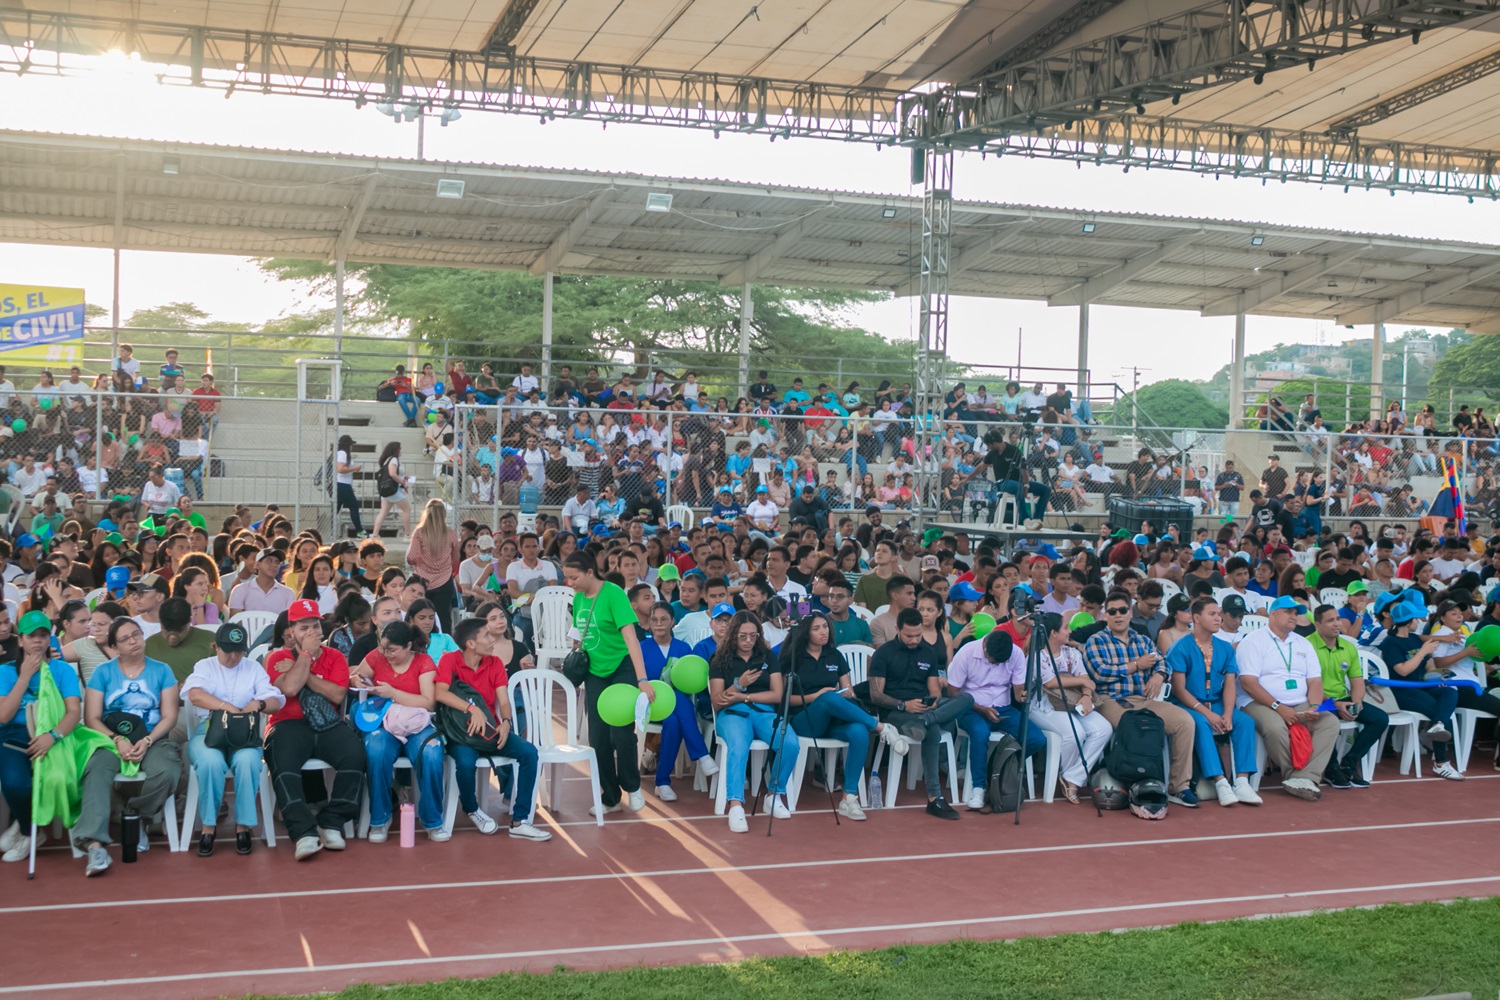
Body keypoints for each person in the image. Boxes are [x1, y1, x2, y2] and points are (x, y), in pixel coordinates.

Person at [77, 617, 184, 876]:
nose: (134, 641)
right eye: (125, 639)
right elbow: (91, 717)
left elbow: (169, 716)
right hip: (111, 739)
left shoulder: (162, 670)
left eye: (136, 634)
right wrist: (117, 739)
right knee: (97, 771)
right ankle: (94, 845)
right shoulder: (103, 673)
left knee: (166, 771)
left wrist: (147, 740)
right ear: (114, 647)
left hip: (153, 738)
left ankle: (133, 815)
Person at [264, 598, 367, 860]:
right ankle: (303, 833)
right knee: (283, 761)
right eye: (304, 628)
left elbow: (337, 693)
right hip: (287, 723)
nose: (311, 633)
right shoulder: (277, 657)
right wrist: (307, 656)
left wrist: (304, 672)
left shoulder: (335, 657)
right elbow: (289, 689)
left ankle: (331, 821)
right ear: (291, 632)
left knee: (354, 752)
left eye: (315, 627)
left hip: (327, 723)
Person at [433, 616, 550, 841]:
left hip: (490, 731)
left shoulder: (495, 663)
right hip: (462, 733)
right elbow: (440, 693)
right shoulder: (449, 660)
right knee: (465, 763)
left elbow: (504, 702)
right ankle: (472, 809)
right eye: (486, 635)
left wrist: (506, 723)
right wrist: (471, 709)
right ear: (471, 644)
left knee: (529, 753)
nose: (492, 639)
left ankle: (520, 820)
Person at [781, 611, 906, 820]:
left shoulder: (834, 655)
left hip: (832, 719)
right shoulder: (792, 657)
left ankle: (849, 798)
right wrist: (816, 696)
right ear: (805, 632)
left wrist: (847, 692)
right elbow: (784, 699)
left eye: (825, 626)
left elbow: (847, 688)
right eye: (816, 628)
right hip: (804, 720)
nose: (823, 632)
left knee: (858, 731)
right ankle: (880, 727)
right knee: (827, 698)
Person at [1083, 590, 1198, 806]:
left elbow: (1163, 662)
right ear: (1105, 615)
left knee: (1185, 722)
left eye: (1123, 610)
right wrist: (1136, 666)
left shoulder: (1142, 640)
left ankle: (1179, 786)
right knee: (1137, 726)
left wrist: (1158, 675)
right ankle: (1137, 781)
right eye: (1112, 611)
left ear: (1130, 613)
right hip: (1109, 700)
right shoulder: (1096, 641)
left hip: (1143, 699)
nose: (1118, 615)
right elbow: (1099, 673)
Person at [180, 621, 284, 856]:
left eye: (239, 651)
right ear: (216, 647)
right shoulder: (205, 666)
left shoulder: (253, 668)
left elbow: (275, 702)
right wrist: (227, 707)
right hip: (208, 732)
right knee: (210, 762)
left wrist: (259, 703)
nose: (234, 656)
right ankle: (208, 826)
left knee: (248, 762)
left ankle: (243, 826)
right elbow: (194, 695)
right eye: (228, 650)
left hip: (243, 735)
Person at [562, 551, 652, 817]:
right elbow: (578, 634)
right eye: (566, 578)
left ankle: (633, 787)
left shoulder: (613, 594)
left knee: (621, 734)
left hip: (621, 668)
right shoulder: (578, 597)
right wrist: (575, 661)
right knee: (599, 738)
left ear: (590, 572)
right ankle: (610, 797)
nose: (570, 583)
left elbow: (631, 639)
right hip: (594, 671)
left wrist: (642, 679)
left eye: (573, 577)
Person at [348, 617, 448, 843]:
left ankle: (433, 820)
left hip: (416, 723)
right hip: (384, 722)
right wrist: (357, 679)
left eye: (392, 650)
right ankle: (379, 818)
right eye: (383, 648)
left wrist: (393, 693)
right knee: (375, 751)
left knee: (432, 754)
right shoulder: (377, 655)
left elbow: (429, 702)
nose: (386, 654)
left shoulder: (423, 662)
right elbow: (354, 675)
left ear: (409, 647)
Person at [868, 608, 973, 819]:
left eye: (918, 635)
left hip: (923, 709)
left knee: (967, 699)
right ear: (897, 629)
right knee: (933, 730)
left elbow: (934, 690)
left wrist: (931, 703)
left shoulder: (928, 652)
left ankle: (926, 720)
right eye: (909, 636)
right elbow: (876, 695)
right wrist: (903, 705)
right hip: (894, 712)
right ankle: (935, 797)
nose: (915, 639)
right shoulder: (884, 653)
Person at [1236, 596, 1342, 799]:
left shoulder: (1302, 643)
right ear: (1273, 614)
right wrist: (1278, 706)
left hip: (1299, 700)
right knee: (1276, 727)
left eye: (1296, 613)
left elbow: (1315, 681)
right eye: (1289, 612)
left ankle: (1305, 777)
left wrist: (1315, 706)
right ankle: (1295, 776)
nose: (1294, 616)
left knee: (1329, 723)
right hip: (1259, 702)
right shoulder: (1253, 641)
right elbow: (1249, 683)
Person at [0, 611, 84, 863]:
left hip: (53, 733)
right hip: (13, 735)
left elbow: (73, 712)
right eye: (31, 636)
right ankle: (29, 831)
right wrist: (24, 676)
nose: (37, 641)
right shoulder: (5, 672)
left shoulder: (62, 670)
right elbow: (4, 716)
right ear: (21, 640)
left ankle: (22, 827)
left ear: (50, 639)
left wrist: (53, 736)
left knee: (57, 777)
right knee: (17, 784)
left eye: (43, 635)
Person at [1164, 598, 1262, 807]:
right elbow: (1179, 690)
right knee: (1200, 723)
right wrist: (1206, 713)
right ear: (1196, 618)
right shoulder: (1180, 648)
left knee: (1245, 722)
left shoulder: (1225, 648)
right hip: (1188, 704)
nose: (1218, 618)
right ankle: (1220, 782)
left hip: (1217, 703)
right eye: (1212, 614)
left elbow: (1229, 685)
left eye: (1219, 614)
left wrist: (1227, 712)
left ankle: (1243, 781)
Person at [709, 610, 798, 832]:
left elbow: (777, 695)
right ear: (732, 635)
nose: (748, 640)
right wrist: (738, 685)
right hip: (732, 713)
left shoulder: (767, 657)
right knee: (739, 746)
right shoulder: (720, 659)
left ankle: (774, 794)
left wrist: (744, 695)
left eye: (753, 635)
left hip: (764, 711)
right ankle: (736, 804)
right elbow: (717, 702)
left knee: (790, 743)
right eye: (742, 636)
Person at [947, 629, 1042, 810]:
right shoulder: (967, 652)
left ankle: (998, 770)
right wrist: (980, 709)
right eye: (992, 660)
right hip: (971, 708)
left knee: (1036, 738)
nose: (995, 664)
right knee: (980, 733)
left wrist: (1022, 695)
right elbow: (953, 693)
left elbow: (1017, 690)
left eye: (1000, 663)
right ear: (985, 645)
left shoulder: (1016, 654)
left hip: (1003, 707)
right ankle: (979, 788)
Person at [1028, 612, 1113, 805]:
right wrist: (1082, 681)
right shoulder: (1036, 656)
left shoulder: (1072, 653)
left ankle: (1072, 777)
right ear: (1053, 633)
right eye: (1065, 628)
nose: (1070, 631)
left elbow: (1087, 681)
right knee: (1075, 733)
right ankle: (1070, 778)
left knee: (1103, 729)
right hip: (1044, 708)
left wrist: (1085, 695)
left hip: (1073, 702)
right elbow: (1050, 683)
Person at [639, 601, 718, 800]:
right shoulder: (641, 647)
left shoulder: (684, 648)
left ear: (673, 622)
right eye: (654, 620)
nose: (659, 624)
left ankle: (662, 782)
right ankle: (702, 754)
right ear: (649, 623)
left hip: (674, 711)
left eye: (664, 619)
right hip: (651, 704)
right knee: (678, 698)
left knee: (674, 720)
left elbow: (689, 681)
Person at [1378, 601, 1465, 781]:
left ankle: (1437, 725)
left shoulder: (1415, 639)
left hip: (1421, 686)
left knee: (1449, 692)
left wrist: (1437, 676)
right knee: (1437, 711)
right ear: (1409, 622)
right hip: (1400, 691)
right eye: (1416, 619)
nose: (1419, 622)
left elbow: (1428, 665)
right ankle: (1441, 763)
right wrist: (1422, 652)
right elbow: (1402, 670)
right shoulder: (1390, 642)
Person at [1308, 604, 1387, 789]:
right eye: (1330, 620)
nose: (1337, 624)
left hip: (1342, 697)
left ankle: (1350, 762)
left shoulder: (1348, 647)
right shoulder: (1306, 645)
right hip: (1316, 699)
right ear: (1318, 625)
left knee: (1380, 719)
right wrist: (1335, 704)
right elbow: (1307, 684)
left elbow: (1357, 681)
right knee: (1328, 722)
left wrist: (1356, 703)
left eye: (1337, 619)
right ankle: (1331, 768)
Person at [406, 498, 462, 634]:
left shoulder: (419, 533)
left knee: (420, 617)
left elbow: (411, 558)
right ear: (443, 514)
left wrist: (421, 562)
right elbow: (456, 558)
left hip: (422, 581)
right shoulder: (451, 533)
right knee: (444, 620)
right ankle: (445, 650)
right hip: (444, 581)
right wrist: (448, 569)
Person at [144, 597, 218, 686]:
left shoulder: (212, 641)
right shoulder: (148, 646)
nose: (172, 637)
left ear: (189, 622)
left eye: (179, 631)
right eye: (166, 630)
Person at [228, 548, 295, 615]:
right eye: (268, 561)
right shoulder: (240, 590)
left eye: (277, 562)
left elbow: (288, 622)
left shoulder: (288, 593)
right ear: (257, 565)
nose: (274, 565)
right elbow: (235, 621)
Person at [370, 442, 413, 538]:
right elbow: (392, 474)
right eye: (400, 448)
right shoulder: (393, 460)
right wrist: (402, 482)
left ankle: (375, 534)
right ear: (396, 450)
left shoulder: (388, 460)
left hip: (388, 490)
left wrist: (402, 479)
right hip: (394, 490)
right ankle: (407, 534)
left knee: (383, 512)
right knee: (407, 509)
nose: (401, 450)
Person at [333, 434, 365, 537]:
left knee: (335, 509)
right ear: (348, 444)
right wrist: (355, 467)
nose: (352, 447)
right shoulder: (342, 453)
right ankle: (360, 531)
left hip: (341, 484)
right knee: (354, 506)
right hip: (343, 484)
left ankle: (328, 531)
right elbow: (341, 469)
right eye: (351, 445)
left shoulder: (339, 453)